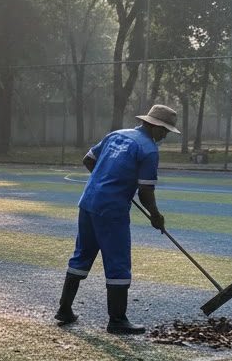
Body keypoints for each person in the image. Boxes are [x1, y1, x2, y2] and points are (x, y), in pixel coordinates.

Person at [54, 104, 181, 335]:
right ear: (153, 126)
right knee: (118, 262)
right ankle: (117, 320)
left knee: (81, 255)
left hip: (89, 202)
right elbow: (145, 192)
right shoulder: (149, 150)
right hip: (112, 211)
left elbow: (88, 160)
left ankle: (64, 310)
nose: (165, 135)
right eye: (164, 130)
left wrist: (106, 180)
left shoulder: (117, 134)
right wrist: (156, 216)